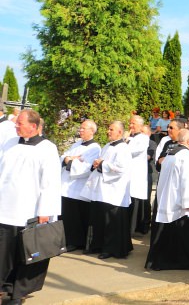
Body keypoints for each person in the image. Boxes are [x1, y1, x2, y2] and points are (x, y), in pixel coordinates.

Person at [0, 109, 62, 304]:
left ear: (33, 126)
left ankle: (18, 293)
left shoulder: (47, 148)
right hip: (5, 208)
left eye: (19, 123)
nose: (16, 125)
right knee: (4, 254)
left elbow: (50, 182)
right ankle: (3, 286)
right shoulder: (9, 142)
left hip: (29, 211)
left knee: (25, 254)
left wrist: (46, 211)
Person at [145, 129, 189, 271]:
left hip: (168, 200)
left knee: (169, 234)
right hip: (181, 203)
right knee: (185, 235)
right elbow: (187, 181)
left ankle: (161, 262)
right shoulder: (187, 156)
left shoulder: (170, 154)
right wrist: (188, 203)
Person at [81, 121, 133, 259]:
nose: (108, 132)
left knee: (111, 221)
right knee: (98, 218)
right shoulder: (107, 146)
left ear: (120, 133)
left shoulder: (124, 148)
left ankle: (110, 249)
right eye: (108, 129)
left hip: (113, 190)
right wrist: (98, 162)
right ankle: (96, 245)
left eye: (111, 129)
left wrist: (102, 163)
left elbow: (121, 168)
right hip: (101, 188)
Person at [59, 119, 101, 251]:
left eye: (83, 128)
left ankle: (75, 241)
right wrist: (69, 159)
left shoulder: (95, 147)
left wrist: (71, 160)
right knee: (66, 214)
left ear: (92, 131)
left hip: (78, 187)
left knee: (75, 217)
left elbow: (86, 167)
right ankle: (65, 239)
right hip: (66, 184)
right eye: (80, 128)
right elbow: (63, 156)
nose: (80, 130)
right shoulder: (77, 143)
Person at [127, 115, 150, 235]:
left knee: (133, 205)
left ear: (140, 126)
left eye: (133, 124)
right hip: (125, 176)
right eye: (130, 123)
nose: (130, 126)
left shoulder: (143, 138)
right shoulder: (127, 138)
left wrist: (125, 142)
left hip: (135, 177)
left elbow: (131, 151)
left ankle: (130, 231)